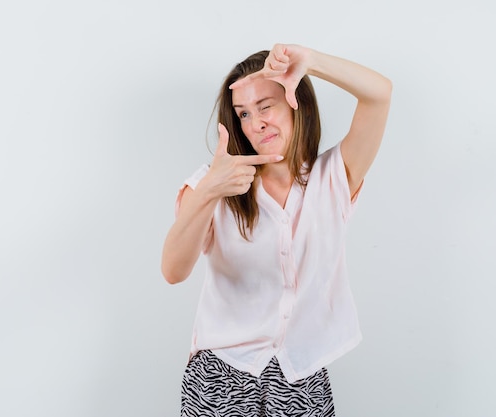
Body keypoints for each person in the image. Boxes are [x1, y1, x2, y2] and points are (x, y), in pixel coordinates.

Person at [161, 44, 392, 416]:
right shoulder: (211, 185)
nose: (256, 123)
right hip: (222, 373)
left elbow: (380, 94)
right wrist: (208, 192)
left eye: (265, 106)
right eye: (244, 114)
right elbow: (173, 270)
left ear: (295, 100)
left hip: (303, 370)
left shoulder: (333, 178)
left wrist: (312, 62)